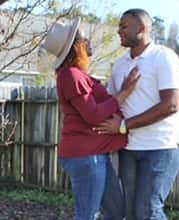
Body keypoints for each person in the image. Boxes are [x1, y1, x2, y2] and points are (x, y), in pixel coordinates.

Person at [40, 17, 140, 220]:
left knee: (116, 210)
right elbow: (92, 114)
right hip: (86, 157)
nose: (89, 39)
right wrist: (125, 92)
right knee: (87, 215)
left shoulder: (77, 75)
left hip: (96, 155)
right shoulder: (70, 76)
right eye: (85, 37)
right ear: (77, 45)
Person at [94, 8, 179, 220]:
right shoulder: (119, 65)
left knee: (149, 210)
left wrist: (124, 125)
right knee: (133, 214)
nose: (119, 31)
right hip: (129, 148)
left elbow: (171, 104)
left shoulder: (164, 57)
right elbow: (113, 103)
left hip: (161, 147)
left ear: (142, 28)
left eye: (124, 26)